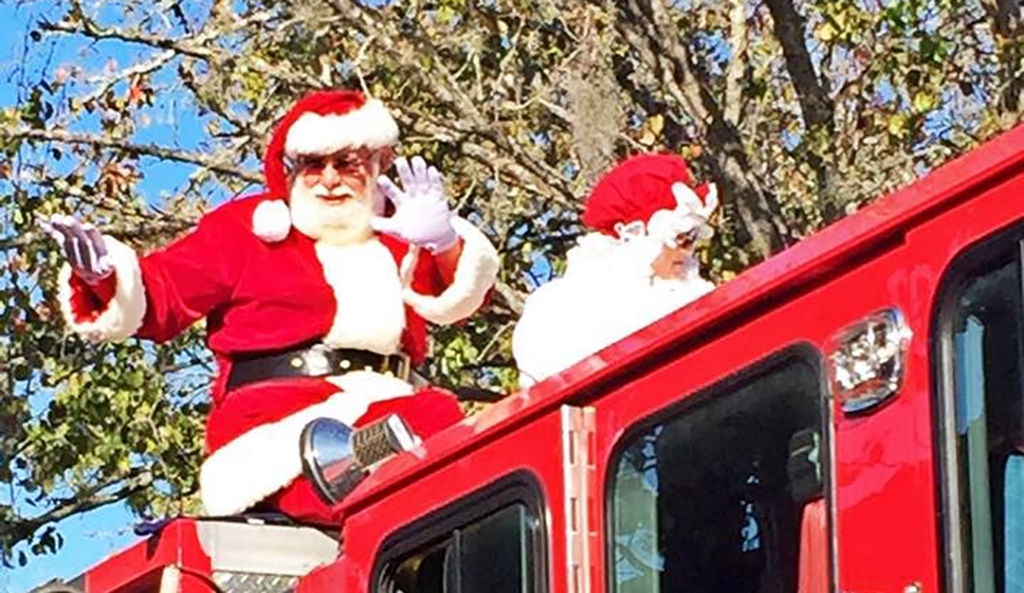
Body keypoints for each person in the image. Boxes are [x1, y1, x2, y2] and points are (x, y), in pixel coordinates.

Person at [41, 89, 500, 523]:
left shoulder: (398, 241)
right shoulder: (248, 231)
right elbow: (163, 294)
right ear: (290, 172)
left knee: (454, 434)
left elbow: (459, 300)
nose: (330, 180)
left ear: (380, 165)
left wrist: (443, 243)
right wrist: (102, 277)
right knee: (421, 452)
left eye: (347, 163)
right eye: (313, 165)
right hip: (280, 434)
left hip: (398, 413)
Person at [513, 153, 717, 387]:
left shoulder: (685, 293)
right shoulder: (558, 312)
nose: (687, 252)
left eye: (692, 237)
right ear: (639, 238)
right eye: (681, 238)